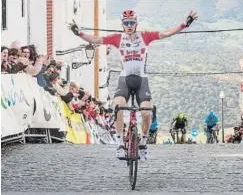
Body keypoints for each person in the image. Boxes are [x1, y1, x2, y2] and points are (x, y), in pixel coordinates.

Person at [68, 10, 198, 162]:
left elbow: (167, 33)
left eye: (132, 22)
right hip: (125, 80)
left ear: (136, 23)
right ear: (122, 24)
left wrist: (185, 24)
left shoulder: (145, 37)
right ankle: (120, 144)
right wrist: (79, 33)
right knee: (118, 107)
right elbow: (96, 39)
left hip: (142, 80)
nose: (129, 25)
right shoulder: (118, 38)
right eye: (126, 23)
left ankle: (143, 144)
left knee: (146, 113)